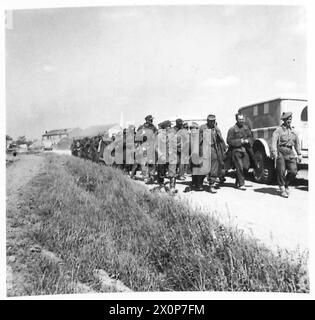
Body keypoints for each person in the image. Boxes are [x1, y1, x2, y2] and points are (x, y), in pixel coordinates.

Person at [271, 112, 302, 198]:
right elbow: (274, 142)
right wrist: (274, 152)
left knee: (293, 171)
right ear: (284, 120)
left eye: (290, 119)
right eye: (288, 119)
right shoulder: (278, 130)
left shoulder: (293, 131)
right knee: (281, 171)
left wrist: (299, 154)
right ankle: (282, 188)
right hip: (281, 151)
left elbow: (297, 143)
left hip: (290, 152)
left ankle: (286, 184)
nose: (289, 121)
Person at [227, 113, 254, 190]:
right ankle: (241, 184)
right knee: (239, 167)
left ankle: (238, 181)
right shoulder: (232, 129)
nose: (241, 121)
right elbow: (229, 141)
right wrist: (240, 141)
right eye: (240, 119)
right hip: (235, 151)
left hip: (244, 150)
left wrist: (247, 140)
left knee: (246, 166)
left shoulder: (246, 128)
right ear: (236, 120)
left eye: (242, 119)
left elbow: (251, 137)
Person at [199, 115, 224, 193]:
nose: (212, 122)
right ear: (207, 120)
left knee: (214, 168)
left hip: (213, 149)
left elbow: (221, 140)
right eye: (210, 121)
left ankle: (211, 185)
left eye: (213, 120)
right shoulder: (202, 128)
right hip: (205, 149)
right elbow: (198, 140)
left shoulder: (216, 129)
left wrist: (217, 131)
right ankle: (199, 183)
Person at [156, 120, 177, 194]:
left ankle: (172, 188)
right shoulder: (159, 136)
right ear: (164, 128)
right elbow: (156, 147)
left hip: (172, 156)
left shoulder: (173, 135)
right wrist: (161, 155)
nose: (170, 128)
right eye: (168, 126)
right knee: (161, 172)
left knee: (172, 172)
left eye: (170, 126)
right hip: (162, 157)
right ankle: (161, 185)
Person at [136, 115, 158, 184]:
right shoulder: (153, 128)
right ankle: (151, 175)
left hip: (143, 146)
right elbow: (156, 137)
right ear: (151, 120)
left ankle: (145, 176)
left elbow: (136, 137)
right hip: (151, 146)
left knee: (144, 161)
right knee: (151, 161)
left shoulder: (140, 127)